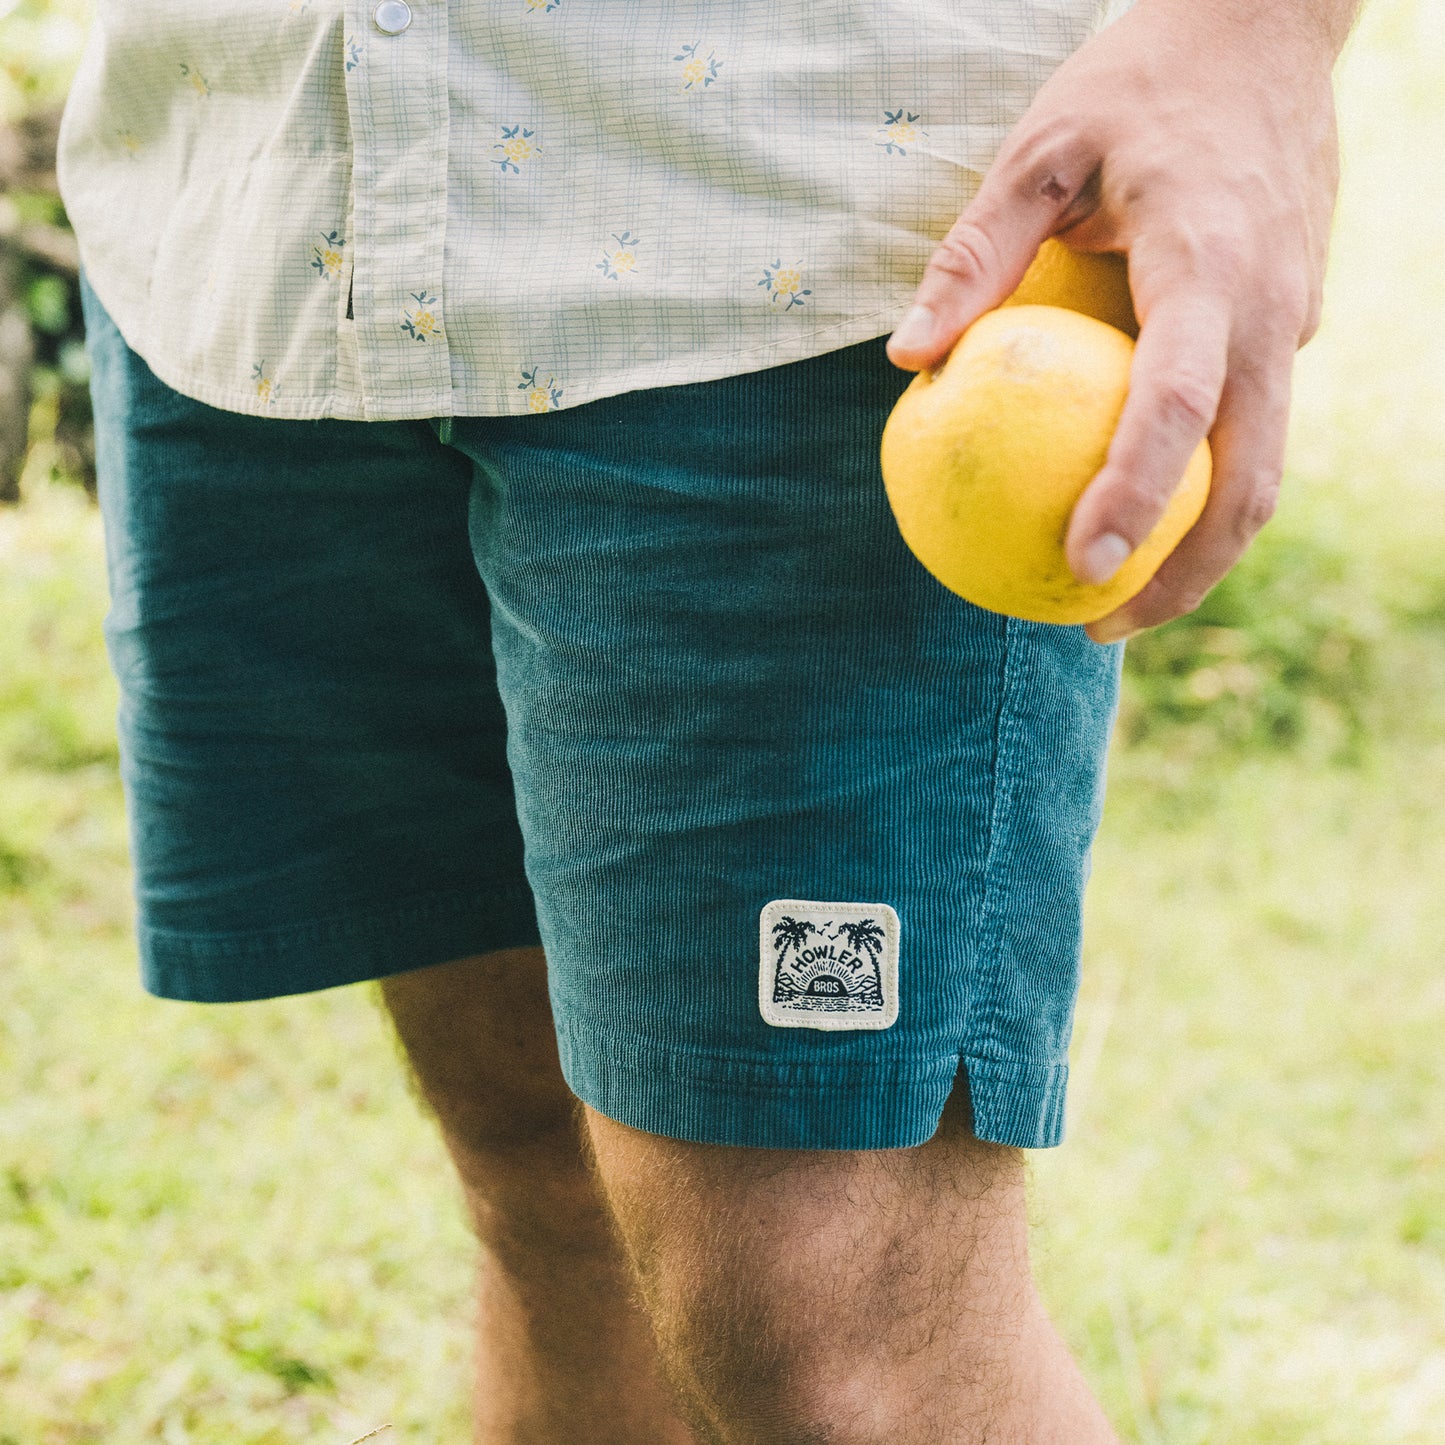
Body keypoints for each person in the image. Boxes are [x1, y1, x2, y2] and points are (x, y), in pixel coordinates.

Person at [56, 0, 1356, 1438]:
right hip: (253, 192)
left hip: (805, 240)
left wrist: (1258, 35)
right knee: (541, 1173)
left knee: (836, 1335)